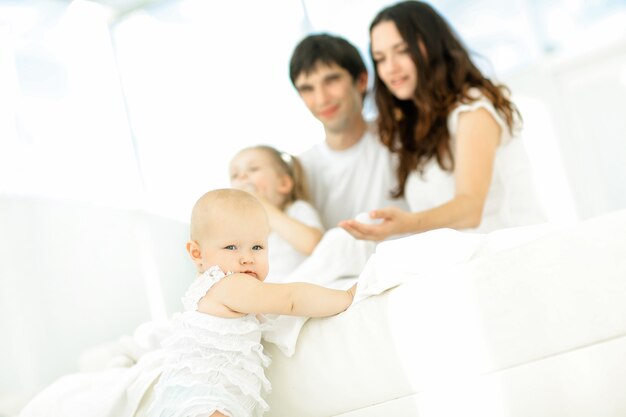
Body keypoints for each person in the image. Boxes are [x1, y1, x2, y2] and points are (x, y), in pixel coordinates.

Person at [340, 0, 545, 240]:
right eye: (380, 58)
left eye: (403, 51)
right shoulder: (417, 123)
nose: (391, 68)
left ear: (433, 46)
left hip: (514, 252)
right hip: (463, 261)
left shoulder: (473, 109)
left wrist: (406, 224)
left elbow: (470, 209)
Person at [146, 188, 355, 417]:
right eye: (231, 247)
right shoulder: (229, 284)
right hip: (206, 399)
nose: (247, 257)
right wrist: (346, 297)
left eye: (257, 247)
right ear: (197, 253)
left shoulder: (214, 287)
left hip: (197, 397)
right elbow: (290, 299)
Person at [289, 33, 409, 230]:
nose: (321, 99)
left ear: (361, 81)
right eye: (308, 88)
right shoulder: (300, 170)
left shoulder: (402, 139)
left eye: (331, 81)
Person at [229, 145, 323, 280]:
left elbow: (315, 245)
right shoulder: (240, 228)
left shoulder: (297, 209)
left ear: (283, 183)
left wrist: (264, 207)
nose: (242, 177)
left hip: (298, 290)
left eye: (253, 169)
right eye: (235, 175)